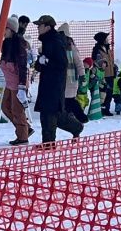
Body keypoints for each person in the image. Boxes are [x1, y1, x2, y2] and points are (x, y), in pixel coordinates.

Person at [34, 14, 84, 144]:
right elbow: (43, 64)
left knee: (50, 113)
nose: (38, 28)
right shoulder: (46, 41)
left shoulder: (56, 41)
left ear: (48, 27)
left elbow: (62, 64)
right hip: (46, 82)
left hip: (55, 84)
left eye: (40, 25)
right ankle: (75, 127)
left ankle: (49, 143)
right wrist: (39, 63)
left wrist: (47, 62)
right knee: (50, 113)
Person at [0, 16, 32, 145]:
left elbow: (23, 66)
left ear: (11, 30)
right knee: (5, 107)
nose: (3, 32)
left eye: (5, 29)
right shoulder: (6, 43)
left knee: (17, 110)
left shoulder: (19, 44)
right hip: (9, 82)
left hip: (18, 84)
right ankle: (24, 128)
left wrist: (22, 86)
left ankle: (23, 136)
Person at [59, 23, 89, 124]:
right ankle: (72, 116)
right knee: (67, 100)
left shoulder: (71, 47)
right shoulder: (63, 46)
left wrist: (82, 75)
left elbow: (79, 62)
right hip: (65, 79)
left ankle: (79, 117)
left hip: (71, 79)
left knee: (69, 100)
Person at [92, 31, 116, 115]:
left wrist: (114, 67)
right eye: (106, 38)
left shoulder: (108, 48)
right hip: (103, 75)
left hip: (110, 74)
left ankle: (107, 109)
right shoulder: (97, 49)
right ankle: (101, 109)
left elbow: (111, 61)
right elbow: (96, 61)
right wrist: (103, 62)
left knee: (109, 93)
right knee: (103, 93)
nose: (107, 39)